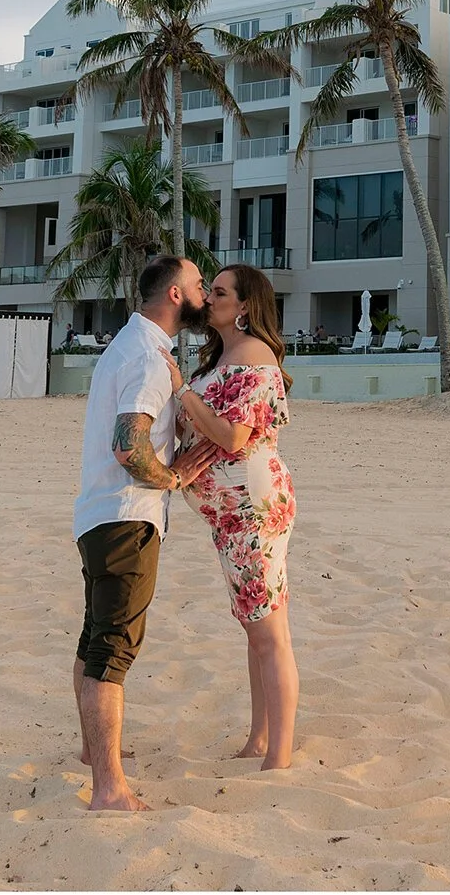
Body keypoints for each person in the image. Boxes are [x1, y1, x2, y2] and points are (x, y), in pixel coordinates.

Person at [71, 253, 221, 813]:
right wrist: (176, 475)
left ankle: (94, 754)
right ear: (176, 294)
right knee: (113, 648)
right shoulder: (148, 358)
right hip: (126, 514)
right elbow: (128, 444)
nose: (206, 292)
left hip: (99, 513)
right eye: (200, 285)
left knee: (94, 641)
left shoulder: (130, 347)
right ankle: (108, 787)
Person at [170, 262, 300, 768]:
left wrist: (182, 389)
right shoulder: (223, 358)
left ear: (245, 306)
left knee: (270, 633)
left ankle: (280, 755)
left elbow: (232, 437)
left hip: (253, 507)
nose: (210, 299)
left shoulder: (254, 357)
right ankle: (259, 739)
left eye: (220, 293)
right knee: (257, 627)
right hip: (230, 514)